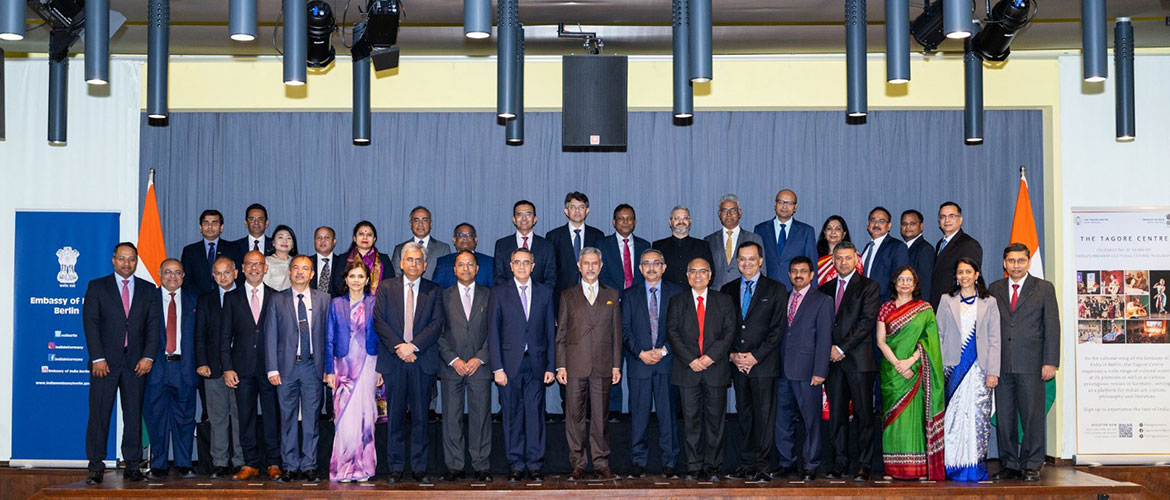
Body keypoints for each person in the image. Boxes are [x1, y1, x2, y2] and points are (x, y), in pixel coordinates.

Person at [82, 243, 161, 485]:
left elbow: (153, 327)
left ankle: (133, 466)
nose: (127, 264)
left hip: (136, 364)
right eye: (122, 259)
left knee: (134, 416)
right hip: (104, 364)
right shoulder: (97, 287)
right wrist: (97, 357)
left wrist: (148, 356)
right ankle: (95, 466)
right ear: (113, 260)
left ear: (136, 261)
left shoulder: (148, 289)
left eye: (131, 259)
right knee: (99, 415)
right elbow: (91, 324)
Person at [373, 242, 446, 484]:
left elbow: (436, 325)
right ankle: (395, 467)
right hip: (394, 361)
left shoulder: (433, 290)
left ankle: (419, 468)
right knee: (394, 417)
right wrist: (401, 348)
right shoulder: (385, 288)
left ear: (425, 266)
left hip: (421, 361)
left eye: (418, 261)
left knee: (420, 418)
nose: (414, 264)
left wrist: (413, 346)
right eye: (410, 260)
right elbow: (380, 322)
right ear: (401, 263)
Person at [989, 243, 1060, 482]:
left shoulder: (1043, 288)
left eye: (1020, 260)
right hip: (1001, 365)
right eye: (1011, 261)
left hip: (1032, 364)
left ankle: (1031, 463)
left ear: (1028, 262)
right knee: (1005, 417)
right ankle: (1009, 463)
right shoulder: (994, 288)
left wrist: (1051, 361)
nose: (1016, 265)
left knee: (1032, 417)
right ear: (1004, 264)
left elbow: (1052, 327)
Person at [487, 247, 557, 482]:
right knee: (512, 416)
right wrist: (497, 367)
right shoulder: (498, 292)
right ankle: (516, 463)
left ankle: (535, 464)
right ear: (510, 265)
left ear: (533, 266)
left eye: (526, 262)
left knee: (535, 416)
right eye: (517, 262)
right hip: (508, 366)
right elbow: (493, 332)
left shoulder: (545, 292)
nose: (522, 266)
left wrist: (551, 366)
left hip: (536, 365)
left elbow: (550, 331)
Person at [555, 247, 622, 481]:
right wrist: (560, 365)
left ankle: (601, 462)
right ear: (579, 266)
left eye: (595, 263)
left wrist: (616, 365)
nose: (591, 267)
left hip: (603, 365)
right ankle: (578, 463)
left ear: (601, 266)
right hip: (574, 365)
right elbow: (561, 333)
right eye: (586, 263)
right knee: (574, 416)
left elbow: (616, 334)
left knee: (601, 416)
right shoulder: (567, 295)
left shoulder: (612, 294)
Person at [720, 241, 785, 482]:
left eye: (751, 258)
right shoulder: (728, 289)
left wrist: (756, 356)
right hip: (737, 364)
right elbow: (724, 328)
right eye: (742, 259)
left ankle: (762, 465)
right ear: (737, 262)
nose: (746, 263)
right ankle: (746, 463)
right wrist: (732, 355)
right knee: (744, 414)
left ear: (760, 261)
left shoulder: (776, 289)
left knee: (764, 416)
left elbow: (778, 329)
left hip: (763, 364)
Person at [667, 258, 735, 482]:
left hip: (715, 370)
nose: (698, 275)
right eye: (693, 271)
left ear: (710, 275)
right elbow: (672, 333)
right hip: (688, 371)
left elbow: (728, 332)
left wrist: (709, 358)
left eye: (703, 271)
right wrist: (691, 360)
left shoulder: (724, 301)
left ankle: (714, 467)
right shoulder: (677, 301)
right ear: (687, 276)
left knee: (715, 422)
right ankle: (694, 466)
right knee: (691, 421)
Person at [874, 266, 945, 480]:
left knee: (915, 418)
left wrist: (910, 362)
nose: (905, 283)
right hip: (891, 372)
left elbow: (931, 342)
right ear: (894, 283)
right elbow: (880, 341)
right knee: (892, 419)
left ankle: (919, 468)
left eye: (909, 280)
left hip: (915, 371)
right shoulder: (885, 308)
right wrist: (897, 364)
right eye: (901, 279)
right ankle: (892, 469)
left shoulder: (925, 309)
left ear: (915, 284)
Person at [265, 255, 331, 482]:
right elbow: (270, 335)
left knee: (312, 418)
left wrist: (328, 367)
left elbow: (329, 337)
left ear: (312, 274)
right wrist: (272, 368)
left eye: (305, 269)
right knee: (288, 418)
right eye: (296, 268)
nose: (300, 272)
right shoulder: (277, 300)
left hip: (314, 366)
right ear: (289, 272)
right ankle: (290, 466)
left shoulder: (324, 299)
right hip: (286, 368)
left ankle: (310, 465)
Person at [819, 241, 880, 482]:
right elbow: (822, 325)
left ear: (856, 259)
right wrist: (830, 350)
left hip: (859, 361)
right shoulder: (825, 288)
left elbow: (866, 322)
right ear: (833, 261)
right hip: (833, 363)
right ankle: (840, 463)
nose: (843, 262)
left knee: (865, 415)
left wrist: (841, 347)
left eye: (847, 258)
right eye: (839, 258)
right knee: (837, 415)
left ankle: (864, 464)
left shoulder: (869, 286)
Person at [220, 250, 283, 481]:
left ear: (265, 268)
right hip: (241, 369)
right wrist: (227, 367)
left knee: (271, 416)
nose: (255, 268)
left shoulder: (277, 297)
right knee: (245, 417)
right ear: (243, 269)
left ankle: (274, 462)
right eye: (250, 264)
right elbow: (224, 336)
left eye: (259, 264)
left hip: (270, 369)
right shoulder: (231, 298)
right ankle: (250, 463)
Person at [937, 258, 1001, 482]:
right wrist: (938, 367)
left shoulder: (989, 302)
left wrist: (993, 371)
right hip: (952, 368)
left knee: (976, 419)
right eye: (960, 272)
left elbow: (995, 339)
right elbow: (939, 335)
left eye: (968, 272)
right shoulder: (947, 300)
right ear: (956, 276)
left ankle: (975, 466)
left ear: (976, 275)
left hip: (980, 369)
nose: (964, 276)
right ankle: (953, 465)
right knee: (953, 418)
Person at [622, 248, 683, 479]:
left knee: (667, 415)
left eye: (656, 263)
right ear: (640, 268)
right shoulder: (629, 295)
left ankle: (669, 461)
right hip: (639, 364)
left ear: (664, 267)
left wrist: (663, 350)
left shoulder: (676, 293)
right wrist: (640, 353)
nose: (651, 267)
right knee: (638, 415)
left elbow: (679, 327)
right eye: (646, 263)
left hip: (666, 363)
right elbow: (625, 330)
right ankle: (638, 461)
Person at [773, 256, 833, 482]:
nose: (798, 274)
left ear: (811, 275)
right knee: (782, 420)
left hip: (808, 371)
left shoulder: (822, 300)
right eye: (794, 271)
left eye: (803, 271)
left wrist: (820, 371)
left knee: (811, 421)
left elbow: (824, 338)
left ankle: (810, 463)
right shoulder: (783, 298)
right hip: (782, 370)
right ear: (789, 275)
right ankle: (785, 462)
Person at [437, 251, 494, 482]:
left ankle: (481, 465)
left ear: (477, 269)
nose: (466, 268)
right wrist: (454, 359)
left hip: (480, 366)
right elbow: (438, 333)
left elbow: (495, 332)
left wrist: (480, 357)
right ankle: (454, 466)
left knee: (481, 417)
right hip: (452, 367)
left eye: (470, 264)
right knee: (451, 417)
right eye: (461, 264)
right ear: (454, 269)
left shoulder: (490, 295)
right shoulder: (442, 296)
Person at [324, 260, 380, 482]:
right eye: (352, 276)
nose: (356, 280)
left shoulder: (375, 303)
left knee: (366, 417)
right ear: (346, 280)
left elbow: (382, 338)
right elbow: (329, 338)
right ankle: (345, 468)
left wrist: (381, 370)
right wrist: (329, 370)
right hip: (343, 368)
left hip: (368, 364)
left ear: (367, 280)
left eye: (360, 276)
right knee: (345, 419)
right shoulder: (336, 304)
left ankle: (364, 468)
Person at [145, 259, 199, 478]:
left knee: (185, 420)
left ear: (183, 276)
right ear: (159, 274)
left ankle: (183, 463)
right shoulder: (148, 300)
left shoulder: (194, 300)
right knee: (156, 418)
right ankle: (158, 464)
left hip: (184, 368)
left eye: (177, 272)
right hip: (156, 367)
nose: (172, 276)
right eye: (168, 272)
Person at [193, 257, 245, 478]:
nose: (223, 277)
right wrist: (201, 362)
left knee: (240, 417)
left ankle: (241, 461)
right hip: (213, 367)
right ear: (213, 276)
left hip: (241, 368)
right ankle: (220, 462)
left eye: (227, 272)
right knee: (218, 417)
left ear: (235, 273)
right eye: (218, 273)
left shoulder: (245, 296)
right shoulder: (206, 299)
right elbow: (200, 335)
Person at [754, 189, 817, 289]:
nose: (784, 206)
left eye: (789, 203)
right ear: (775, 204)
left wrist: (812, 294)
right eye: (781, 202)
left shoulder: (806, 231)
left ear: (795, 207)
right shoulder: (760, 229)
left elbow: (812, 265)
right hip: (766, 289)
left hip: (795, 289)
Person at [546, 192, 606, 297]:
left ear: (587, 211)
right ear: (566, 211)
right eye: (573, 207)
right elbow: (551, 269)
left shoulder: (598, 235)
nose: (577, 211)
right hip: (562, 294)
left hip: (592, 292)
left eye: (581, 207)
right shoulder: (553, 236)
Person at [494, 200, 557, 289]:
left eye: (528, 214)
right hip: (509, 298)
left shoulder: (547, 245)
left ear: (534, 219)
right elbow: (499, 277)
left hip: (538, 299)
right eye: (519, 214)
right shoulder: (502, 245)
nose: (524, 218)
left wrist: (538, 295)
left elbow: (551, 277)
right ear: (514, 220)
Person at [705, 194, 765, 290]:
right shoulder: (709, 240)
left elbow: (762, 271)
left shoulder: (754, 238)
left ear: (739, 212)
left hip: (745, 293)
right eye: (724, 211)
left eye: (733, 210)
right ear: (719, 214)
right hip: (716, 294)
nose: (729, 214)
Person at [929, 202, 982, 308]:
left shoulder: (969, 244)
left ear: (960, 220)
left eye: (951, 216)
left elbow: (969, 280)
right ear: (939, 221)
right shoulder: (940, 243)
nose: (947, 220)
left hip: (957, 306)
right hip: (937, 304)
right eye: (943, 216)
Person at [181, 209, 243, 297]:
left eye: (214, 223)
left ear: (221, 227)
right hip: (198, 300)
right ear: (200, 227)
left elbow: (239, 277)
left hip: (228, 299)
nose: (210, 227)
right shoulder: (190, 251)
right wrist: (202, 298)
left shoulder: (233, 248)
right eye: (206, 223)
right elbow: (186, 280)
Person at [653, 206, 714, 288]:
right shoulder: (658, 246)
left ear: (690, 221)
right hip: (667, 297)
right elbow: (654, 275)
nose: (681, 221)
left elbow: (710, 274)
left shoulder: (702, 246)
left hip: (693, 296)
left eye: (685, 218)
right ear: (670, 222)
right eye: (677, 218)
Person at [860, 207, 910, 303]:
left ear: (889, 226)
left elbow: (900, 280)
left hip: (885, 305)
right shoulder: (867, 248)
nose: (876, 224)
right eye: (873, 220)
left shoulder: (897, 247)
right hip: (865, 304)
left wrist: (889, 307)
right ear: (868, 224)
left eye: (882, 221)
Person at [392, 206, 452, 281]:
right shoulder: (399, 249)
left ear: (431, 224)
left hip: (435, 291)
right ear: (410, 224)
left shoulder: (443, 249)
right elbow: (396, 278)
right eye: (416, 220)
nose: (420, 224)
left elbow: (446, 277)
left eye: (425, 220)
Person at [599, 204, 650, 291]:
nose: (625, 222)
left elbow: (647, 274)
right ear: (614, 222)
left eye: (629, 219)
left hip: (638, 297)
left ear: (634, 222)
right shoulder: (602, 245)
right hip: (612, 297)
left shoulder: (645, 246)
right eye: (621, 218)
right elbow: (601, 275)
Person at [433, 223, 494, 289]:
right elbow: (436, 289)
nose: (465, 238)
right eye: (460, 235)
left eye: (469, 235)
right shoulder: (443, 262)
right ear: (454, 240)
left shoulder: (488, 262)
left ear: (476, 240)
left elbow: (494, 290)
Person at [344, 221, 394, 295]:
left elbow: (390, 284)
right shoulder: (343, 258)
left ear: (374, 239)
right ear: (354, 238)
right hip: (349, 302)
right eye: (361, 234)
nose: (365, 237)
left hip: (378, 303)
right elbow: (338, 283)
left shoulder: (384, 259)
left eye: (369, 235)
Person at [815, 215, 860, 286]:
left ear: (844, 234)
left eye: (837, 229)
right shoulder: (815, 256)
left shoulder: (853, 255)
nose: (833, 232)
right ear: (824, 233)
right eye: (829, 228)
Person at [900, 210, 935, 301]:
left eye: (912, 223)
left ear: (921, 226)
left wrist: (921, 309)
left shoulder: (925, 249)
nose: (908, 227)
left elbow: (925, 284)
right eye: (904, 223)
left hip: (916, 306)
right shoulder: (899, 249)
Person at [310, 226, 347, 297]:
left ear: (334, 241)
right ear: (314, 241)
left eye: (327, 237)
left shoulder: (342, 262)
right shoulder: (307, 262)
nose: (322, 240)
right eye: (319, 238)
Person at [263, 225, 299, 291]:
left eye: (288, 238)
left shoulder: (297, 262)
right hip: (273, 299)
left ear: (293, 245)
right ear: (273, 242)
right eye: (280, 237)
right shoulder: (266, 261)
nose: (284, 241)